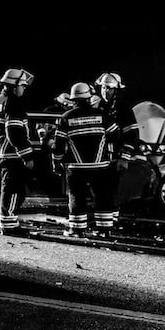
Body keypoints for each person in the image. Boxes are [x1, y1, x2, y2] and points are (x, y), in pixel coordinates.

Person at [52, 82, 119, 238]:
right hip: (100, 166)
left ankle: (77, 230)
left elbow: (58, 145)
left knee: (77, 196)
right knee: (102, 196)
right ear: (89, 97)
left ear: (73, 99)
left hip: (76, 167)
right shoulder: (103, 115)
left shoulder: (66, 118)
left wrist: (56, 162)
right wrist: (111, 154)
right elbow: (115, 136)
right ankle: (104, 230)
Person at [0, 68, 35, 236]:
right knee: (12, 190)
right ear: (14, 85)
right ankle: (9, 225)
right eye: (23, 86)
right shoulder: (14, 103)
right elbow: (15, 132)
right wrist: (26, 155)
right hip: (12, 156)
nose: (24, 89)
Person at [95, 72, 139, 223]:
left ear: (116, 90)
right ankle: (102, 222)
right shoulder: (97, 106)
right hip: (97, 157)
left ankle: (111, 222)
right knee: (99, 191)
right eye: (103, 88)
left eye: (109, 88)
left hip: (114, 157)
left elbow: (132, 134)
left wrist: (124, 157)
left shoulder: (123, 108)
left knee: (112, 191)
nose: (105, 91)